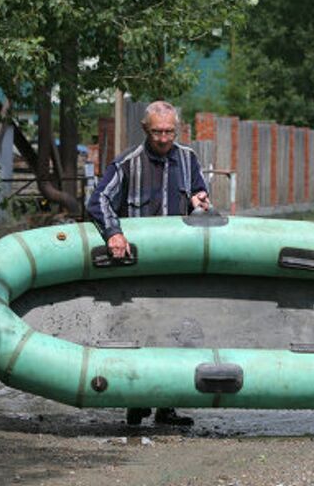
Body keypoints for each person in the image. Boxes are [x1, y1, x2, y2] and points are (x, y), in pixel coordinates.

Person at [86, 100, 210, 426]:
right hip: (138, 266)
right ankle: (135, 402)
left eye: (170, 131)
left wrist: (200, 198)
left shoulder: (189, 158)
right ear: (145, 129)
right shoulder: (127, 163)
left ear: (177, 129)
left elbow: (199, 191)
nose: (164, 138)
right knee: (138, 332)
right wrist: (113, 233)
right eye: (157, 132)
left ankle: (167, 407)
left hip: (178, 265)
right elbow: (98, 200)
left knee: (177, 333)